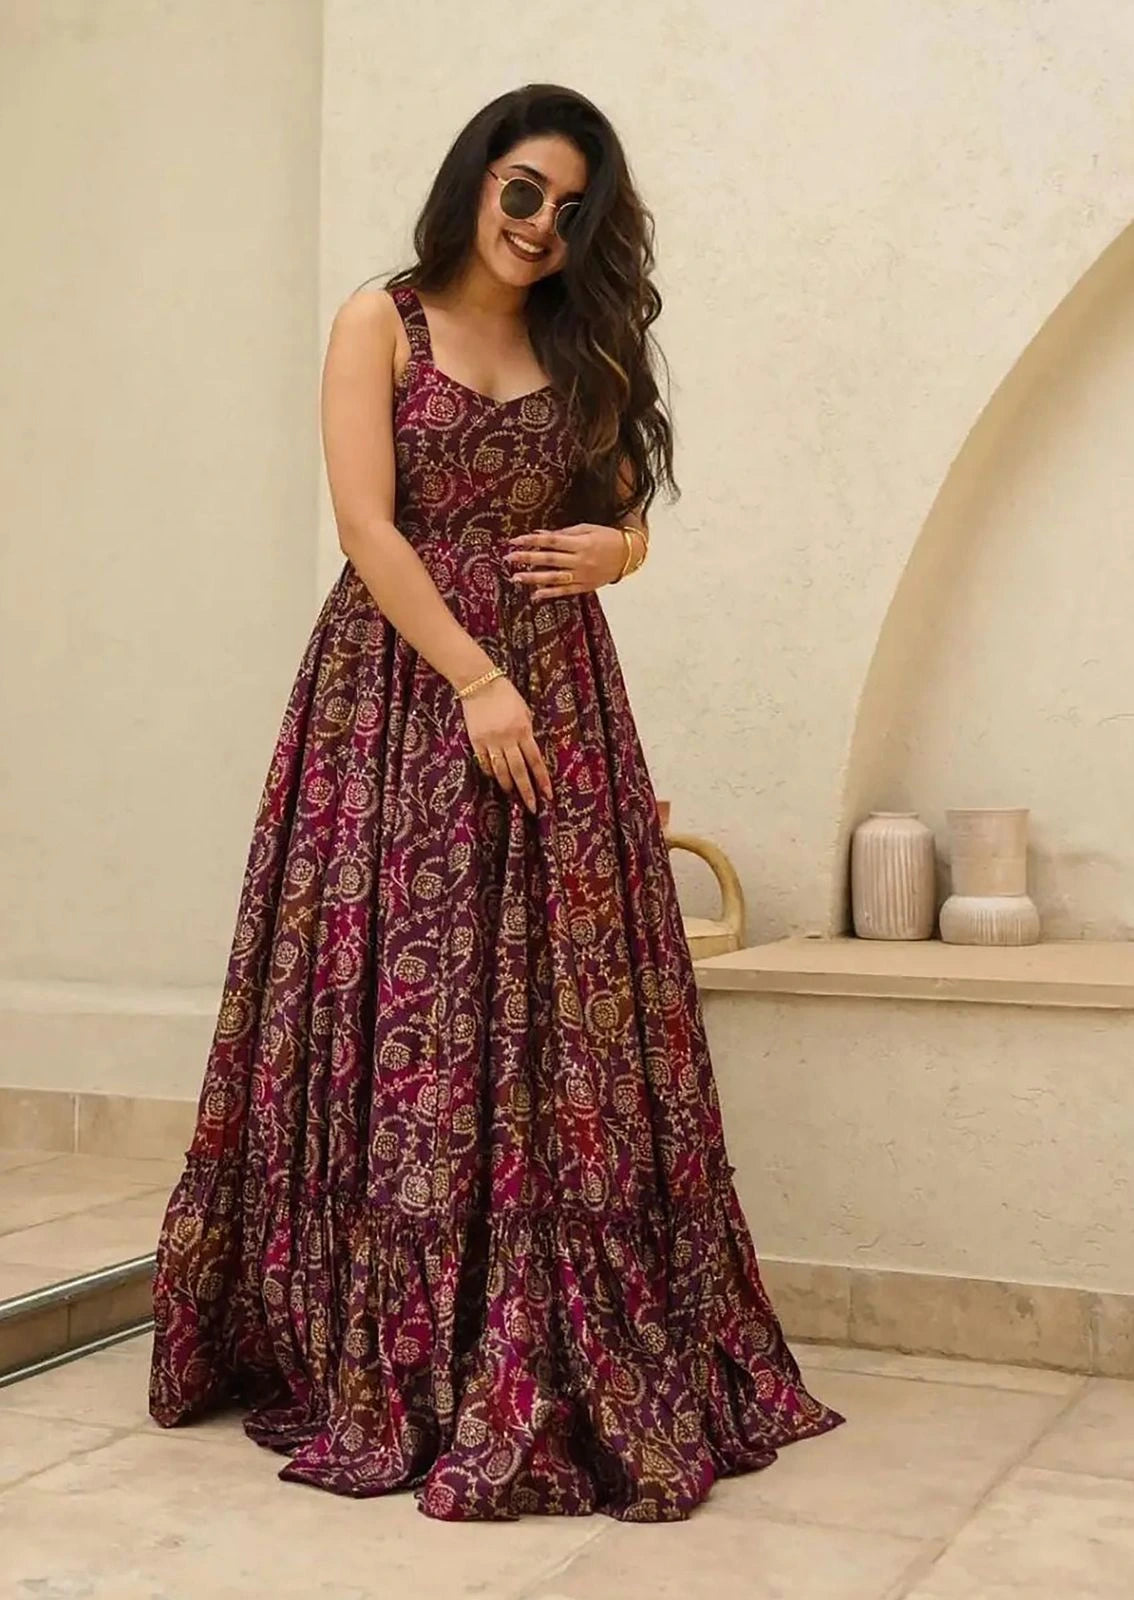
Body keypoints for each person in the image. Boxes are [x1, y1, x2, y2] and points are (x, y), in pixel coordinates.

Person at [148, 82, 842, 1523]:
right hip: (403, 696)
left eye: (571, 210)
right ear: (474, 180)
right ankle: (390, 1342)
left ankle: (543, 1327)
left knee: (562, 1003)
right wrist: (477, 680)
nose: (539, 225)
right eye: (522, 190)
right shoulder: (381, 322)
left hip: (562, 699)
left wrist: (619, 553)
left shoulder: (585, 341)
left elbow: (622, 507)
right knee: (414, 997)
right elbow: (366, 525)